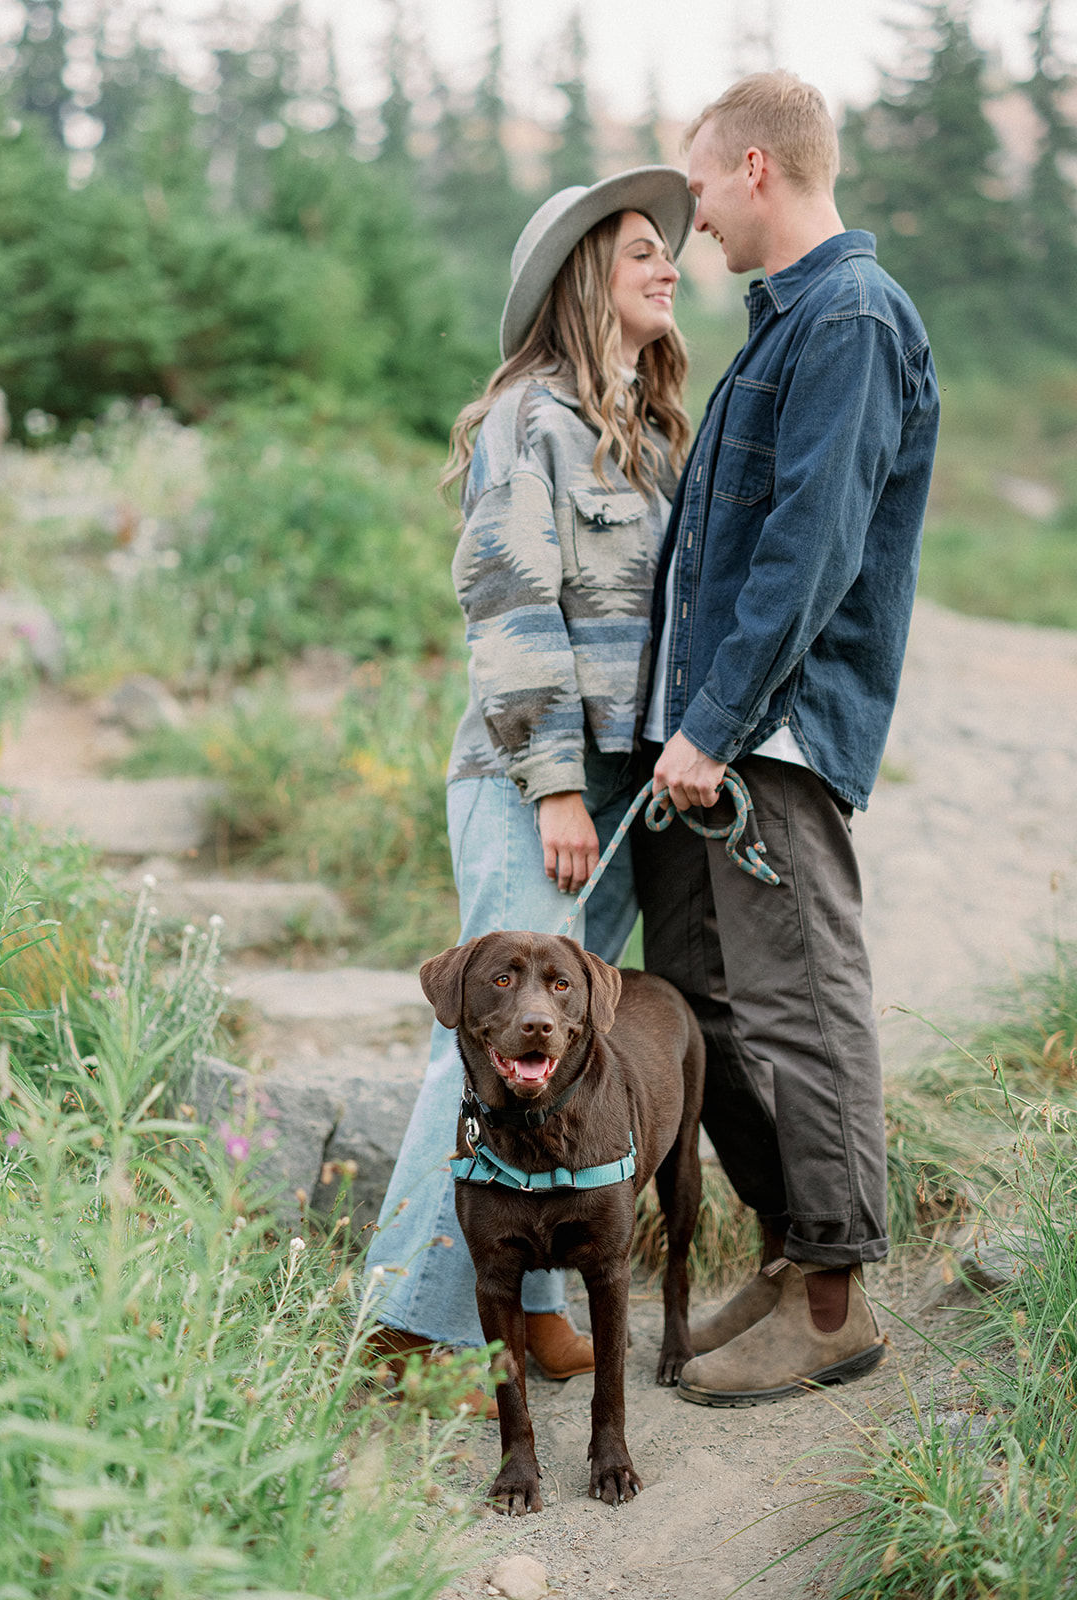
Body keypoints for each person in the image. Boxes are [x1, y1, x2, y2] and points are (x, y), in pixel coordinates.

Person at [631, 71, 940, 1407]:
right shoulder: (780, 327)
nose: (689, 220)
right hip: (714, 741)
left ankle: (833, 1300)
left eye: (694, 186)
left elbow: (808, 552)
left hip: (772, 737)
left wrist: (711, 723)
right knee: (700, 1002)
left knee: (801, 1006)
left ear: (755, 169)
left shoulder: (852, 319)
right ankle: (790, 1248)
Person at [367, 167, 696, 1410]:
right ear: (579, 282)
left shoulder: (648, 427)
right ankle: (408, 1311)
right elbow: (508, 602)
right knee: (487, 1034)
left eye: (669, 250)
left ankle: (537, 1305)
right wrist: (556, 783)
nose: (668, 266)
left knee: (557, 1052)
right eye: (636, 255)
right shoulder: (532, 415)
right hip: (531, 779)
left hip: (615, 781)